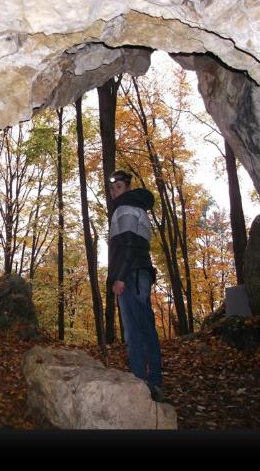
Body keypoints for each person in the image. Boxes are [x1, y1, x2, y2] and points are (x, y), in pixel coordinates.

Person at [107, 169, 167, 403]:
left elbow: (130, 244)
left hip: (131, 275)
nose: (114, 191)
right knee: (145, 327)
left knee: (135, 330)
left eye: (118, 187)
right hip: (139, 273)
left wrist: (120, 277)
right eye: (112, 188)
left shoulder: (126, 208)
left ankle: (142, 383)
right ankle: (153, 381)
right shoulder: (135, 207)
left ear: (128, 187)